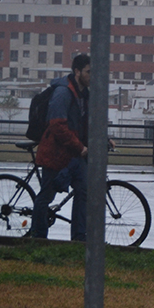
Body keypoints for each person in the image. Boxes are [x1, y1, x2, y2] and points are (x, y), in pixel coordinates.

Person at [32, 53, 91, 241]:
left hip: (73, 154)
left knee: (83, 190)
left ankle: (79, 237)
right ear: (77, 71)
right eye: (89, 72)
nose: (92, 76)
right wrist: (80, 147)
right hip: (56, 153)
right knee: (47, 196)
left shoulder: (85, 95)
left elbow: (86, 123)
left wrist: (103, 139)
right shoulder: (63, 92)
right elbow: (57, 125)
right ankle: (38, 237)